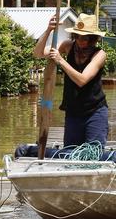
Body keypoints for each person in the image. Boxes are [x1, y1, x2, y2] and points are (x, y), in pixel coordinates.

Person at [33, 13, 109, 148]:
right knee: (70, 152)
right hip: (73, 111)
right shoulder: (68, 46)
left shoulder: (99, 54)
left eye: (86, 38)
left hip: (95, 111)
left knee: (93, 151)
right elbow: (38, 53)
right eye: (78, 37)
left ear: (93, 39)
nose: (81, 41)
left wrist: (60, 60)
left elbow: (82, 80)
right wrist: (48, 30)